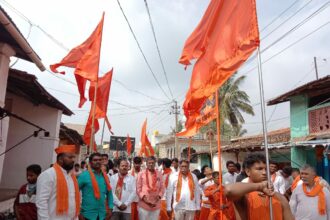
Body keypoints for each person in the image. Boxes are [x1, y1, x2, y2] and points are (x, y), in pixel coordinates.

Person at [224, 153, 294, 220]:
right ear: (248, 171)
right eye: (259, 169)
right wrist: (260, 186)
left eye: (266, 169)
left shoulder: (279, 198)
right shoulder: (244, 195)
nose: (264, 172)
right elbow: (229, 190)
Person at [36, 145, 80, 219]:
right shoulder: (48, 175)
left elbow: (73, 199)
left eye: (73, 157)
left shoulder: (72, 176)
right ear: (60, 159)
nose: (73, 160)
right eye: (70, 157)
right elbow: (41, 202)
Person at [78, 152, 114, 220]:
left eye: (100, 160)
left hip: (102, 215)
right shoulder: (84, 175)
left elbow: (109, 193)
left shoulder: (105, 176)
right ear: (90, 162)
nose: (98, 161)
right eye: (95, 160)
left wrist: (110, 209)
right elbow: (74, 192)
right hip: (87, 215)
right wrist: (78, 212)